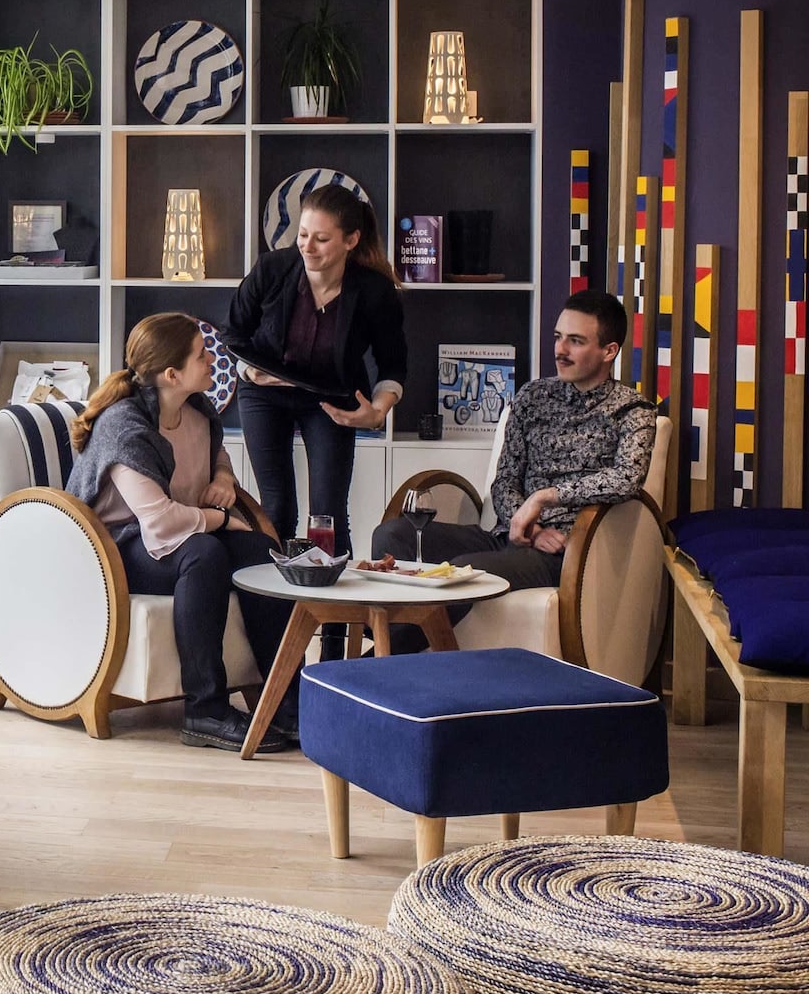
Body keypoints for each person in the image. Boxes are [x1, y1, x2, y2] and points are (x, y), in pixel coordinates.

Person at [64, 313, 298, 753]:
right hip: (113, 549)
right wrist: (223, 520)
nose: (213, 359)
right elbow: (160, 523)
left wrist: (224, 479)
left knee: (261, 550)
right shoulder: (125, 426)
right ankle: (205, 709)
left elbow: (216, 454)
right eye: (201, 354)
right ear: (171, 374)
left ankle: (285, 701)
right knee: (205, 554)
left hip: (182, 531)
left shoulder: (196, 409)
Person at [375, 290, 655, 627]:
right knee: (392, 535)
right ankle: (392, 645)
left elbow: (627, 477)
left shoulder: (633, 411)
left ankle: (385, 652)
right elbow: (505, 479)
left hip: (565, 552)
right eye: (558, 337)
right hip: (508, 534)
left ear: (609, 350)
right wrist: (529, 527)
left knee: (463, 570)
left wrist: (545, 497)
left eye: (576, 341)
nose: (560, 350)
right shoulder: (532, 397)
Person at [227, 183, 407, 566]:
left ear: (351, 240)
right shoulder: (271, 269)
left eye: (321, 239)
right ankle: (273, 602)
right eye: (303, 235)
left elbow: (393, 363)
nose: (307, 247)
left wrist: (377, 411)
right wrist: (249, 369)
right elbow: (234, 334)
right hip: (264, 394)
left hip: (331, 398)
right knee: (277, 508)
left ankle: (331, 603)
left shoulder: (375, 291)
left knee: (328, 515)